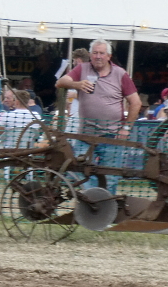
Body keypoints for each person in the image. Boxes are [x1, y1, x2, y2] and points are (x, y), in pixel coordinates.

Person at [55, 38, 141, 194]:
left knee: (111, 176)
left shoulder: (120, 74)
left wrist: (127, 128)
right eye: (95, 53)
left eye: (102, 53)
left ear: (109, 56)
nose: (98, 56)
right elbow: (60, 82)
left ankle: (104, 207)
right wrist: (77, 84)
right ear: (90, 55)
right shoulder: (82, 69)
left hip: (112, 136)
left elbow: (136, 103)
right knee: (77, 170)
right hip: (85, 135)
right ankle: (93, 201)